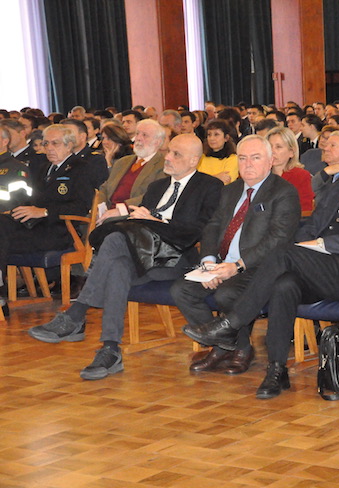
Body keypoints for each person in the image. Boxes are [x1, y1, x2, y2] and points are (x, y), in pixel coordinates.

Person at [181, 134, 339, 399]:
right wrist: (305, 244)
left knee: (282, 252)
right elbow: (311, 226)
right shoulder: (338, 188)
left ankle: (232, 322)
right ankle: (276, 370)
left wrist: (319, 244)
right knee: (284, 285)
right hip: (315, 267)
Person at [28, 134, 223, 380]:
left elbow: (199, 230)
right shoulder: (157, 186)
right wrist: (140, 219)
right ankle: (110, 348)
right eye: (168, 152)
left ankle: (78, 315)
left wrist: (156, 221)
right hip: (143, 254)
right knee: (117, 262)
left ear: (194, 160)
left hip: (175, 257)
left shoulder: (209, 186)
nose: (168, 158)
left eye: (176, 154)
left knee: (115, 247)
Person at [171, 135, 301, 375]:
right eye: (242, 158)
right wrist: (208, 262)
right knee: (182, 291)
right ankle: (228, 345)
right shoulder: (230, 191)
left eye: (255, 158)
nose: (248, 164)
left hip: (258, 267)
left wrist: (238, 266)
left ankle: (235, 349)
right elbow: (212, 226)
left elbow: (278, 239)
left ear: (270, 160)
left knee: (227, 294)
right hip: (221, 263)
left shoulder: (284, 192)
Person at [0, 125, 94, 304]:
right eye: (46, 144)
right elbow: (33, 199)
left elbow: (82, 206)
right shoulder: (43, 168)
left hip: (60, 230)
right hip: (35, 226)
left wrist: (44, 212)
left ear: (69, 145)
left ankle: (0, 293)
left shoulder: (81, 168)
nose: (49, 148)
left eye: (55, 143)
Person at [97, 119, 167, 217]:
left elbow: (153, 196)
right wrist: (99, 208)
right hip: (107, 212)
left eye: (144, 135)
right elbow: (104, 188)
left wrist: (121, 210)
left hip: (131, 216)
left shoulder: (163, 166)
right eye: (137, 133)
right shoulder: (122, 162)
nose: (138, 138)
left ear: (157, 142)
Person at [266, 127, 314, 212]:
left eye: (278, 147)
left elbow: (305, 210)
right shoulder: (260, 174)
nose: (272, 151)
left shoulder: (301, 176)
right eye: (270, 146)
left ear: (291, 152)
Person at [197, 119, 238, 184]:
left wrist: (205, 180)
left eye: (216, 134)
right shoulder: (201, 158)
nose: (211, 138)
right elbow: (195, 182)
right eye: (209, 134)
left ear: (226, 138)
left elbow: (226, 182)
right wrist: (216, 177)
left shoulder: (232, 159)